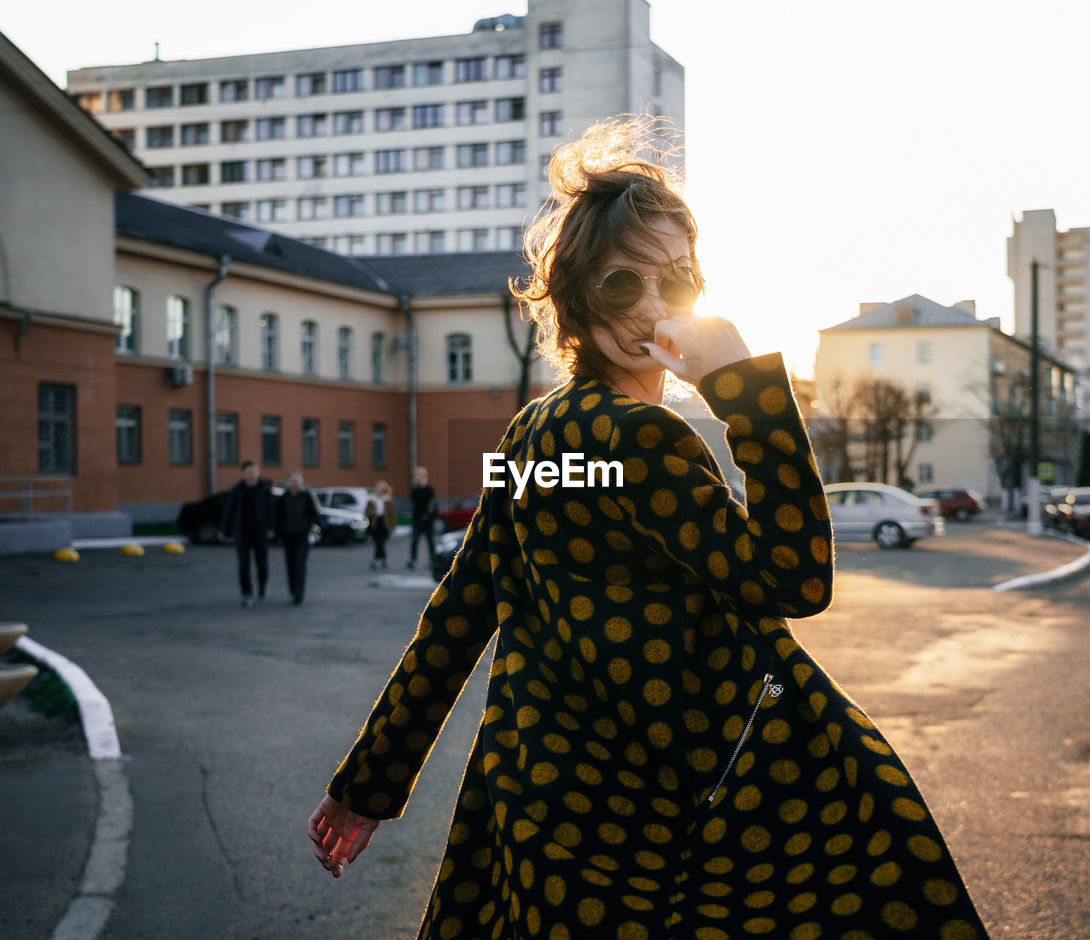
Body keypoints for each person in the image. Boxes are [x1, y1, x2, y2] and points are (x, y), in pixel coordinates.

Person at [309, 118, 989, 939]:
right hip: (665, 822)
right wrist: (747, 392)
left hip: (538, 810)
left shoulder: (532, 434)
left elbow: (458, 616)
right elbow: (797, 581)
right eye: (622, 284)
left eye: (678, 277)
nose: (657, 307)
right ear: (571, 297)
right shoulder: (643, 441)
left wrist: (368, 786)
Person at [220, 459, 274, 607]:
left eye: (254, 471)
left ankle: (262, 584)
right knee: (244, 564)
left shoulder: (264, 488)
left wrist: (271, 528)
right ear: (243, 473)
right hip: (242, 532)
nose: (252, 474)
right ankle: (246, 593)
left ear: (258, 472)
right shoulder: (238, 489)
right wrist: (224, 530)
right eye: (249, 472)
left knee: (262, 563)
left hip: (260, 532)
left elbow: (270, 510)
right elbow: (230, 510)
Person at [275, 469, 321, 605]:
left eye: (297, 480)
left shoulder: (306, 496)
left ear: (301, 481)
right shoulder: (283, 498)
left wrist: (315, 529)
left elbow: (315, 515)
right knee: (290, 564)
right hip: (288, 536)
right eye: (293, 480)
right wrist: (278, 533)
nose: (295, 483)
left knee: (300, 563)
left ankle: (299, 591)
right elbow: (278, 516)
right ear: (289, 482)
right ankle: (292, 590)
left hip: (302, 535)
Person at [407, 466, 438, 570]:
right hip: (417, 520)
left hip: (427, 520)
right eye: (416, 476)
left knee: (430, 541)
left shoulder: (429, 490)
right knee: (415, 540)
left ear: (424, 477)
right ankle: (413, 560)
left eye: (419, 476)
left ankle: (433, 561)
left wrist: (428, 515)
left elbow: (432, 504)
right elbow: (414, 503)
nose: (417, 478)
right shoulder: (415, 490)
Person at [364, 480, 396, 570]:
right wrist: (372, 511)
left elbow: (391, 513)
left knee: (380, 542)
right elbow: (366, 512)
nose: (379, 491)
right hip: (375, 522)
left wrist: (393, 524)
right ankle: (383, 559)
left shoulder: (387, 499)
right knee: (378, 542)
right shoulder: (371, 499)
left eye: (381, 489)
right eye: (378, 489)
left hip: (384, 523)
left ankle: (377, 560)